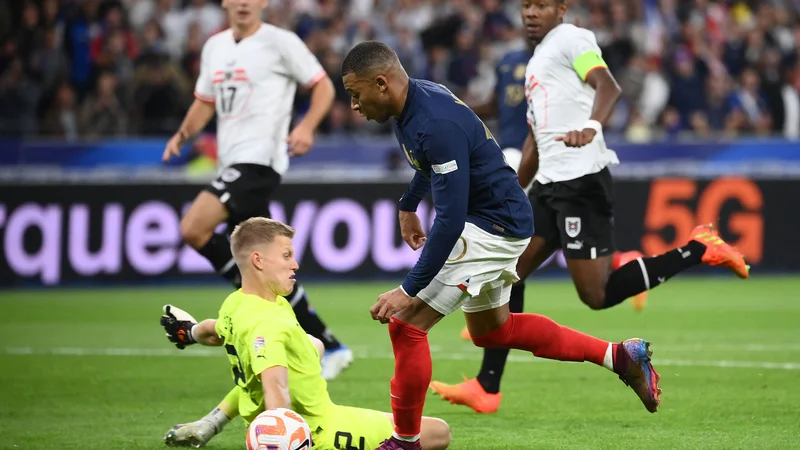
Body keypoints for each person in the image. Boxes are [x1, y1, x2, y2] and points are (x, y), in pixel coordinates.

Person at [427, 0, 755, 414]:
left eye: (541, 5)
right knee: (507, 271)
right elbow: (534, 139)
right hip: (546, 184)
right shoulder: (533, 64)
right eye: (526, 5)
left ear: (561, 9)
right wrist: (511, 191)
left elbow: (608, 86)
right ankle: (488, 385)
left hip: (582, 182)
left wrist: (593, 126)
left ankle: (699, 248)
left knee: (595, 295)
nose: (531, 12)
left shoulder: (572, 39)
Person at [341, 40, 662, 450]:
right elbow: (428, 161)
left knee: (406, 326)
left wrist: (407, 290)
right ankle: (619, 356)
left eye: (355, 93)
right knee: (494, 331)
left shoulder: (434, 120)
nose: (353, 104)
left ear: (382, 84)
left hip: (488, 226)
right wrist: (408, 204)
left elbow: (451, 220)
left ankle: (405, 442)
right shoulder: (415, 103)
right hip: (501, 220)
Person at [161, 0, 352, 380]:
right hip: (232, 162)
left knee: (193, 228)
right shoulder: (215, 46)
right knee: (263, 260)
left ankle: (254, 296)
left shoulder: (281, 42)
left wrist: (306, 127)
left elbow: (323, 87)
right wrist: (183, 133)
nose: (244, 2)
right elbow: (205, 101)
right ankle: (329, 343)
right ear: (226, 3)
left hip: (259, 161)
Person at [159, 218, 452, 449]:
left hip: (275, 421)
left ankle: (212, 423)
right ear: (259, 261)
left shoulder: (236, 304)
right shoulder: (270, 324)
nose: (295, 264)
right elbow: (276, 391)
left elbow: (216, 330)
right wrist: (282, 436)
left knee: (312, 346)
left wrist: (190, 332)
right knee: (438, 433)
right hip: (320, 432)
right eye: (286, 255)